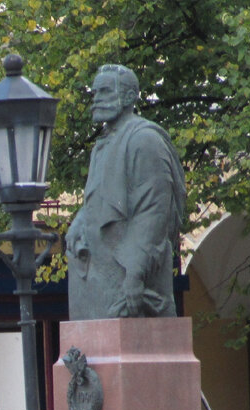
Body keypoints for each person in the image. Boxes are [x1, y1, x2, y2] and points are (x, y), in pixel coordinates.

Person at [65, 63, 186, 320]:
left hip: (127, 272)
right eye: (95, 93)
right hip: (99, 269)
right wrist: (80, 222)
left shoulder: (144, 139)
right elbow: (98, 197)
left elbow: (154, 211)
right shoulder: (103, 144)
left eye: (105, 91)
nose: (96, 99)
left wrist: (135, 273)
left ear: (130, 96)